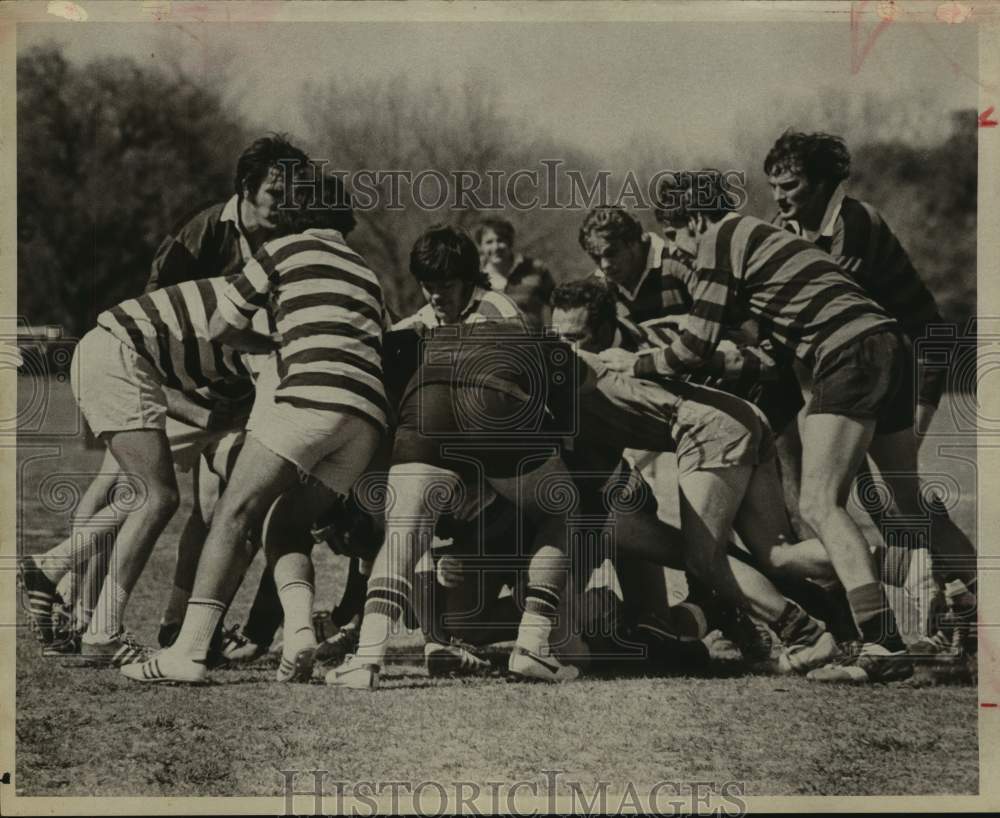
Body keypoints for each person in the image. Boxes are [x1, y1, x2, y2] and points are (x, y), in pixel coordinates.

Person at [605, 170, 976, 683]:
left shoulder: (719, 237)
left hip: (848, 352)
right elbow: (764, 356)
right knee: (909, 501)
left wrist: (631, 365)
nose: (679, 252)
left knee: (819, 504)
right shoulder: (760, 237)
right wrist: (730, 359)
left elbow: (692, 348)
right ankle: (981, 615)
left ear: (691, 219)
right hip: (886, 344)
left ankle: (882, 643)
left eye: (674, 238)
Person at [121, 171, 389, 685]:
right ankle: (300, 633)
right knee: (287, 525)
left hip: (308, 400)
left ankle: (188, 652)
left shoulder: (282, 251)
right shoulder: (367, 273)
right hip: (365, 423)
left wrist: (269, 347)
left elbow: (220, 326)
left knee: (234, 514)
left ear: (296, 215)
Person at [764, 130, 976, 654]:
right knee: (884, 500)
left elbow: (830, 304)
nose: (779, 196)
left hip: (909, 360)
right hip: (864, 365)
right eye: (772, 185)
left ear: (822, 183)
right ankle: (961, 604)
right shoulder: (786, 227)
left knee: (888, 500)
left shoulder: (856, 221)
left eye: (789, 184)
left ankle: (945, 602)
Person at [476, 217, 556, 330]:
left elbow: (556, 304)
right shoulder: (473, 276)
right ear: (481, 246)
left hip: (531, 344)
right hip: (487, 344)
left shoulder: (535, 269)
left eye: (500, 240)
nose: (496, 247)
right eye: (489, 242)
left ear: (510, 242)